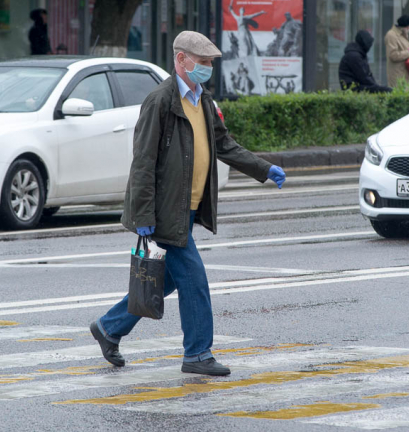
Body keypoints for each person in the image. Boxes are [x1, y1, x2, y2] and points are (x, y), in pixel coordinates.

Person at [90, 30, 286, 377]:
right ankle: (197, 353)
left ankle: (109, 327)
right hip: (165, 212)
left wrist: (264, 168)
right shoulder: (161, 101)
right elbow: (143, 161)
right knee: (194, 279)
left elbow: (225, 145)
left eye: (210, 63)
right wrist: (144, 214)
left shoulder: (202, 100)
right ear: (181, 59)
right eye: (204, 62)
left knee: (164, 281)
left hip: (187, 209)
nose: (208, 68)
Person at [385, 15, 409, 91]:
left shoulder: (403, 34)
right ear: (406, 26)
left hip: (407, 72)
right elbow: (393, 55)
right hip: (398, 74)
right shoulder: (391, 35)